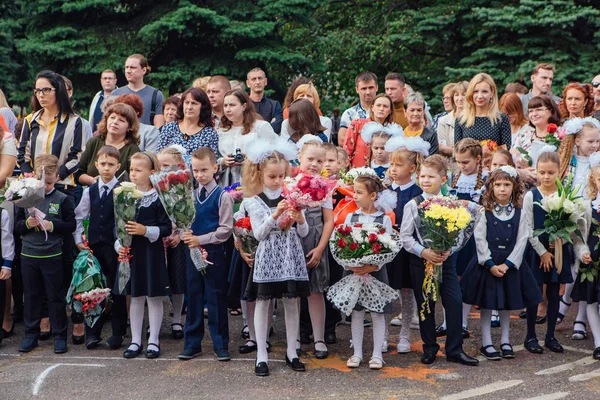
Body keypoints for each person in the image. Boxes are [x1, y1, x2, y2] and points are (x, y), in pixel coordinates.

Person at [400, 154, 480, 366]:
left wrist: (449, 250)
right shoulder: (413, 204)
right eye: (422, 176)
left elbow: (460, 233)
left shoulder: (452, 204)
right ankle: (429, 347)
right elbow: (405, 237)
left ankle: (454, 349)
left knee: (453, 302)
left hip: (447, 262)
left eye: (431, 177)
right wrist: (423, 252)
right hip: (421, 263)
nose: (425, 180)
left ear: (443, 180)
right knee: (426, 305)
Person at [242, 141, 310, 377]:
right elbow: (259, 233)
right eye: (272, 176)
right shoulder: (253, 200)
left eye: (282, 175)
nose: (277, 180)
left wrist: (299, 218)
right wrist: (276, 214)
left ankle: (292, 351)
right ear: (260, 173)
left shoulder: (292, 196)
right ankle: (261, 354)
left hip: (291, 256)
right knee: (263, 303)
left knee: (291, 303)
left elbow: (303, 233)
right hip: (268, 256)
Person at [461, 167, 541, 360]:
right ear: (491, 187)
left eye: (507, 185)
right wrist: (489, 263)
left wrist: (508, 264)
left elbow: (523, 240)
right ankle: (487, 342)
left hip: (509, 265)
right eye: (498, 185)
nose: (502, 189)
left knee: (506, 304)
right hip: (488, 265)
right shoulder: (484, 211)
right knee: (487, 304)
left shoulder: (520, 213)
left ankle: (506, 340)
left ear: (514, 187)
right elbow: (479, 239)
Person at [523, 149, 581, 354]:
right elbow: (528, 228)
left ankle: (550, 336)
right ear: (536, 172)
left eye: (550, 173)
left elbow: (571, 223)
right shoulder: (531, 196)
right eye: (542, 172)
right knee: (535, 292)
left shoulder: (564, 196)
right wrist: (542, 252)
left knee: (555, 292)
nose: (546, 177)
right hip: (537, 252)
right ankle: (530, 336)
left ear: (559, 173)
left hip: (558, 251)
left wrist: (561, 237)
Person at [178, 147, 234, 361]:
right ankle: (192, 343)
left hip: (214, 253)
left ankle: (220, 343)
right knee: (193, 296)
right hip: (192, 252)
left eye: (204, 170)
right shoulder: (190, 197)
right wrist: (183, 233)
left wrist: (200, 240)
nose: (199, 174)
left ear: (215, 168)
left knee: (216, 297)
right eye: (195, 170)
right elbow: (182, 223)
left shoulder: (223, 197)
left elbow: (225, 230)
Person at [16, 154, 75, 354]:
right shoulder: (24, 197)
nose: (46, 186)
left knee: (55, 297)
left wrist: (53, 225)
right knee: (31, 296)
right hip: (29, 255)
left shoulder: (63, 199)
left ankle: (60, 335)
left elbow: (71, 225)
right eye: (43, 182)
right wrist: (26, 224)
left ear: (57, 177)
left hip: (52, 256)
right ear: (34, 175)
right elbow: (16, 227)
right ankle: (30, 334)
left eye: (49, 183)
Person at [73, 145, 128, 350]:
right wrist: (79, 240)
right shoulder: (90, 191)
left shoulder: (122, 191)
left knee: (117, 289)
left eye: (111, 164)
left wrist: (122, 244)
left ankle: (118, 333)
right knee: (93, 289)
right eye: (103, 164)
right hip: (94, 246)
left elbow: (124, 220)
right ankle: (92, 332)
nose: (106, 168)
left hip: (115, 248)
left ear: (118, 166)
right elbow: (80, 215)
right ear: (96, 165)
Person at [118, 152, 172, 359]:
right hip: (132, 253)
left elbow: (166, 228)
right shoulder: (123, 195)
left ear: (152, 172)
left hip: (151, 252)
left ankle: (154, 340)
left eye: (138, 170)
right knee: (136, 296)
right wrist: (119, 245)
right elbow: (118, 227)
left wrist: (145, 230)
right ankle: (135, 340)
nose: (133, 174)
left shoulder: (158, 197)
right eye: (131, 169)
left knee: (153, 295)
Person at [342, 175, 396, 370]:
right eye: (354, 191)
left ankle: (376, 355)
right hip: (356, 272)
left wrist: (374, 266)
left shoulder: (384, 219)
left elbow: (390, 248)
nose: (354, 196)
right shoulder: (351, 217)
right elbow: (343, 243)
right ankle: (356, 353)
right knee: (356, 312)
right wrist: (351, 264)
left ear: (373, 195)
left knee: (377, 312)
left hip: (375, 272)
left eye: (359, 192)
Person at [555, 118, 600, 340]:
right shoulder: (568, 162)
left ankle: (579, 317)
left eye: (598, 141)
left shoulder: (597, 162)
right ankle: (565, 304)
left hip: (592, 220)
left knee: (583, 267)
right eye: (590, 141)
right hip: (572, 217)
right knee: (573, 266)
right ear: (578, 140)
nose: (594, 145)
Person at [385, 136, 428, 353]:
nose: (393, 169)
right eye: (391, 164)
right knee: (385, 289)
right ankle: (383, 334)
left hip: (408, 249)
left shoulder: (418, 193)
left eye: (399, 165)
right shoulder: (385, 190)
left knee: (406, 291)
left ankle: (404, 335)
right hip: (387, 248)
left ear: (412, 168)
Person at [18, 70, 85, 202]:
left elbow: (77, 156)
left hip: (61, 187)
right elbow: (22, 153)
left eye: (46, 90)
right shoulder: (30, 120)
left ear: (58, 91)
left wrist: (54, 177)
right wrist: (30, 174)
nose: (41, 95)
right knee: (27, 223)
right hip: (32, 187)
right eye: (37, 91)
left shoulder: (74, 121)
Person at [296, 138, 334, 359]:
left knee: (316, 291)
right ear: (300, 158)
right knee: (295, 294)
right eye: (310, 159)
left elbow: (328, 221)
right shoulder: (291, 184)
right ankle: (296, 338)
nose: (314, 164)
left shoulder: (326, 188)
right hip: (295, 242)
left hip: (316, 242)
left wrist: (320, 248)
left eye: (319, 160)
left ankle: (319, 339)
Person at [157, 147, 188, 340]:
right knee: (158, 283)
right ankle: (156, 322)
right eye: (160, 165)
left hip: (177, 240)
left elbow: (189, 215)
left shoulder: (184, 188)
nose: (163, 169)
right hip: (157, 240)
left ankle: (177, 318)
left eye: (167, 165)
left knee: (178, 282)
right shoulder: (155, 186)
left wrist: (180, 234)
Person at [217, 89, 277, 187]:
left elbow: (275, 155)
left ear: (244, 106)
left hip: (254, 182)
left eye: (232, 105)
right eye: (225, 105)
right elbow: (214, 159)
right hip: (227, 183)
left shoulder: (261, 127)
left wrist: (252, 160)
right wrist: (223, 161)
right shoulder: (221, 130)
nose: (227, 109)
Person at [573, 155, 600, 360]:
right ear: (593, 181)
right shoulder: (587, 206)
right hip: (592, 261)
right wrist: (583, 253)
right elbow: (580, 236)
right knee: (590, 301)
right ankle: (598, 343)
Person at [77, 103, 140, 186]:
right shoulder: (93, 142)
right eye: (112, 117)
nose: (115, 122)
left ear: (129, 127)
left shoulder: (133, 149)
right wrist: (94, 181)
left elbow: (136, 180)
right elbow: (79, 173)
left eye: (121, 120)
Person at [158, 87, 218, 165]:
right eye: (186, 102)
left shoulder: (209, 133)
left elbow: (212, 162)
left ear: (202, 107)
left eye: (194, 103)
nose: (189, 107)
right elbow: (159, 156)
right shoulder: (169, 128)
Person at [511, 95, 562, 182]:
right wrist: (521, 172)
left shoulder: (560, 135)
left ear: (551, 111)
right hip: (526, 186)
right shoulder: (524, 135)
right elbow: (512, 158)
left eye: (539, 110)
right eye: (531, 111)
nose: (534, 114)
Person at [454, 73, 511, 148]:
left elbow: (505, 151)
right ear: (471, 93)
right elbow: (457, 151)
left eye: (484, 91)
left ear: (492, 93)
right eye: (476, 91)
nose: (480, 96)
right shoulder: (461, 119)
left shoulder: (501, 119)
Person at [111, 54, 164, 128]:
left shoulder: (156, 95)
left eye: (133, 67)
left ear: (144, 70)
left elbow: (158, 128)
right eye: (126, 67)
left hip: (146, 138)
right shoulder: (116, 94)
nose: (128, 71)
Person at [344, 94, 397, 168]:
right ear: (372, 108)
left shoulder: (392, 131)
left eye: (385, 106)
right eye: (378, 105)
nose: (381, 109)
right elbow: (346, 152)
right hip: (356, 174)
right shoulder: (357, 124)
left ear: (390, 111)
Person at [339, 72, 379, 146]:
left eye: (371, 87)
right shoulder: (349, 113)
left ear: (376, 87)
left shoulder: (384, 110)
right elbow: (341, 140)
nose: (368, 92)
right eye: (363, 88)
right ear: (357, 89)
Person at [246, 68, 283, 134]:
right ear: (248, 83)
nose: (257, 82)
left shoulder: (274, 105)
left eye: (260, 78)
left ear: (265, 81)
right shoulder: (243, 104)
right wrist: (269, 125)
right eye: (253, 79)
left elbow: (277, 128)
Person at [437, 81, 468, 159]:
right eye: (456, 95)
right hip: (450, 166)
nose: (460, 98)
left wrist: (451, 150)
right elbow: (442, 149)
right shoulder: (443, 121)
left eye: (463, 95)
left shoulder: (474, 118)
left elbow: (473, 150)